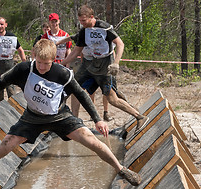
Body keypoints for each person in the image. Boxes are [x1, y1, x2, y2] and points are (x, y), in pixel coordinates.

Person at [0, 39, 141, 189]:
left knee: (91, 140)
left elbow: (82, 94)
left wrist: (98, 119)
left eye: (47, 63)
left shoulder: (62, 74)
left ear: (54, 60)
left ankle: (121, 169)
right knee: (6, 144)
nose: (42, 67)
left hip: (60, 117)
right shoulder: (24, 69)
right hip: (32, 117)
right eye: (40, 62)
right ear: (34, 56)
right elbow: (1, 83)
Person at [61, 5, 148, 134]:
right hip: (89, 65)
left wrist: (116, 63)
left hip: (106, 65)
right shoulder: (83, 31)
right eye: (80, 21)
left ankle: (139, 117)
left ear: (92, 17)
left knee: (112, 99)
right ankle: (74, 120)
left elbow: (120, 44)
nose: (82, 23)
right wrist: (61, 64)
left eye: (84, 21)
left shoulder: (104, 27)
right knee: (74, 87)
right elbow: (75, 52)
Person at [57, 34, 113, 122]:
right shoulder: (84, 34)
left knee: (110, 94)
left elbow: (112, 50)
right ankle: (78, 116)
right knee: (80, 90)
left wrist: (114, 63)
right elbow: (72, 40)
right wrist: (57, 43)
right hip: (89, 68)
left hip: (103, 69)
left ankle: (106, 112)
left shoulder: (103, 35)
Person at [0, 17, 26, 103]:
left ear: (6, 25)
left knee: (11, 90)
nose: (0, 26)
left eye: (2, 24)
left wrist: (24, 63)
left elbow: (20, 50)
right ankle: (0, 111)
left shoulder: (12, 37)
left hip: (9, 65)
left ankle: (14, 110)